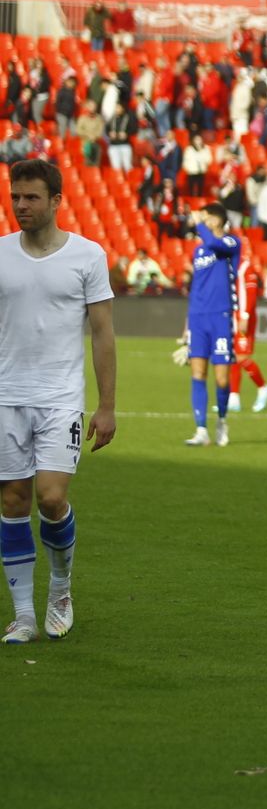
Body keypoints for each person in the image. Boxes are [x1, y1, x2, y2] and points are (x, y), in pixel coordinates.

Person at [0, 160, 116, 644]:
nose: (20, 205)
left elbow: (103, 332)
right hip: (6, 396)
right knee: (12, 500)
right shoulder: (1, 253)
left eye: (30, 197)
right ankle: (24, 615)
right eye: (15, 196)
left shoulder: (87, 256)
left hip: (60, 397)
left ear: (55, 201)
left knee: (50, 497)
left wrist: (107, 406)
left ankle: (61, 591)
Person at [180, 203, 240, 447]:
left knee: (222, 379)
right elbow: (196, 286)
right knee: (198, 373)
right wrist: (187, 324)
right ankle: (201, 430)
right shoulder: (198, 251)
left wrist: (199, 224)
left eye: (207, 218)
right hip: (198, 317)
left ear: (218, 219)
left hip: (220, 316)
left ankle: (222, 419)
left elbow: (215, 243)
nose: (203, 221)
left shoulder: (231, 243)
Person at [227, 245, 267, 415]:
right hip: (233, 316)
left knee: (241, 357)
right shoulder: (229, 266)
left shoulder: (246, 267)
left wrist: (245, 316)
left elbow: (251, 294)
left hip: (243, 317)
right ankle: (233, 398)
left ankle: (263, 388)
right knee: (233, 356)